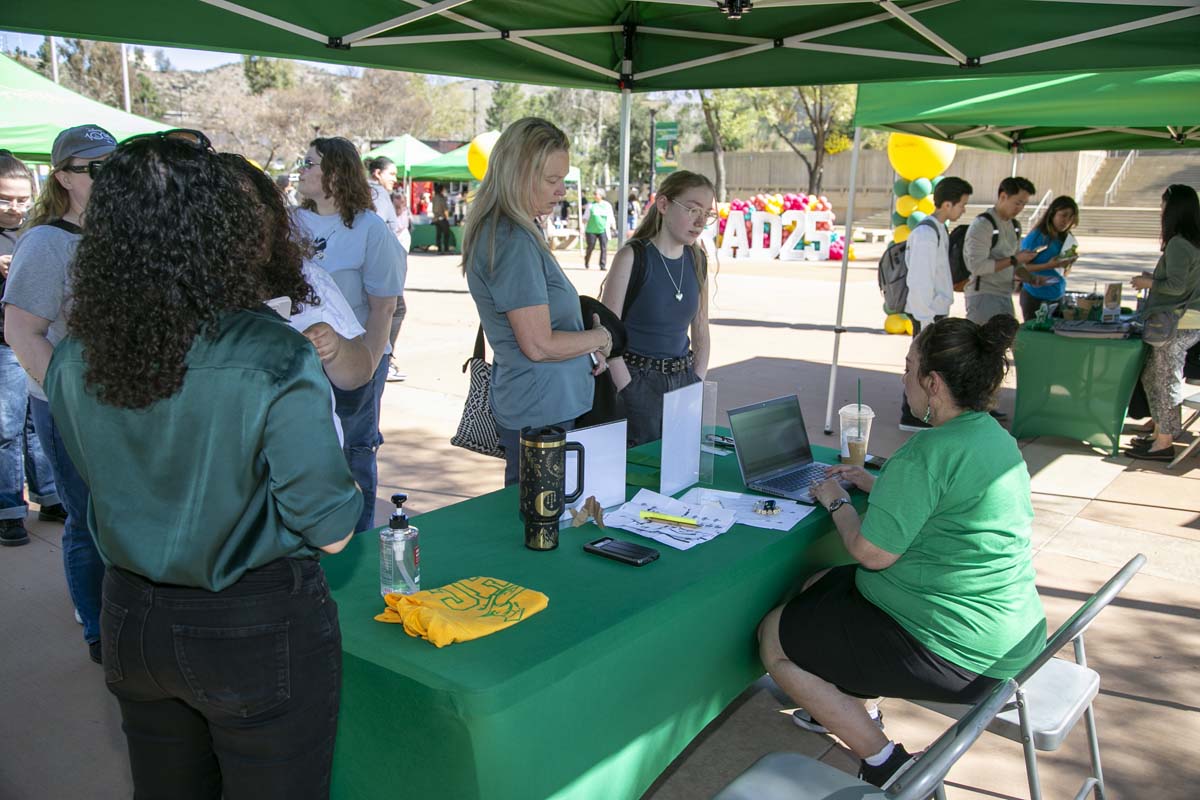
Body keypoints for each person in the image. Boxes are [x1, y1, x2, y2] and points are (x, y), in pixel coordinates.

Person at [44, 130, 359, 799]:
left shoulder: (73, 356)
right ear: (221, 230)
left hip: (130, 619)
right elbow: (330, 529)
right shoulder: (270, 354)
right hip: (250, 627)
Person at [757, 315, 1046, 789]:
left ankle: (886, 763)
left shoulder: (927, 452)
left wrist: (836, 500)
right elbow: (945, 499)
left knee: (775, 636)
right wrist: (881, 483)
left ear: (933, 383)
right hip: (1009, 636)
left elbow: (869, 553)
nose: (903, 376)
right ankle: (850, 705)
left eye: (909, 367)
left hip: (958, 654)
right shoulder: (993, 437)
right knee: (819, 587)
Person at [3, 124, 117, 661]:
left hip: (123, 404)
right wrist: (69, 397)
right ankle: (97, 628)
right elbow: (22, 331)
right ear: (66, 176)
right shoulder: (47, 242)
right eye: (96, 168)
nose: (110, 175)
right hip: (67, 404)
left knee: (115, 513)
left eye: (116, 164)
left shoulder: (124, 235)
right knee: (87, 517)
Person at [463, 117, 611, 486]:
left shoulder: (514, 230)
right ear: (518, 174)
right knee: (540, 524)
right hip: (541, 411)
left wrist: (582, 347)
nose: (561, 190)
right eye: (551, 180)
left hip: (542, 405)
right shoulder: (511, 238)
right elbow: (539, 345)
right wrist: (600, 338)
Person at [294, 136, 405, 533]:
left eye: (309, 163)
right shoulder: (292, 222)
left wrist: (368, 364)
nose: (302, 170)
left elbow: (384, 307)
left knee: (355, 450)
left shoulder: (369, 228)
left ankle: (356, 541)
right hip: (306, 357)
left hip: (358, 357)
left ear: (335, 172)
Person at [222, 153, 374, 399]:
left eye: (258, 210)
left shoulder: (307, 276)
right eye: (231, 216)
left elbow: (359, 372)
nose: (249, 226)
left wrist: (335, 349)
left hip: (308, 432)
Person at [600, 171, 714, 447]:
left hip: (683, 380)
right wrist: (628, 389)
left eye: (707, 213)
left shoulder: (697, 260)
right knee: (638, 473)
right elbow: (606, 333)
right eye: (692, 209)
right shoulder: (632, 257)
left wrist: (696, 380)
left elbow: (701, 328)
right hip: (636, 380)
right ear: (663, 205)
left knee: (679, 471)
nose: (700, 221)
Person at [0, 151, 65, 547]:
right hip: (4, 346)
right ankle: (9, 507)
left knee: (37, 425)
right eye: (5, 199)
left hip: (38, 341)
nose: (15, 207)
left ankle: (49, 494)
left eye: (23, 199)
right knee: (6, 428)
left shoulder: (36, 233)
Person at [1126, 184, 1200, 462]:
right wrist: (1153, 279)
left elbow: (1177, 285)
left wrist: (1149, 283)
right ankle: (1160, 433)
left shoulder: (1180, 242)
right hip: (1187, 321)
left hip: (1176, 322)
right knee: (1154, 376)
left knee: (1165, 378)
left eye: (1163, 204)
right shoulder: (1191, 241)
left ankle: (1165, 441)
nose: (1161, 210)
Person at [899, 176, 973, 431]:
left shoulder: (938, 229)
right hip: (926, 313)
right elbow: (919, 280)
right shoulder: (926, 234)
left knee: (928, 366)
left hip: (934, 311)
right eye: (962, 204)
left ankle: (920, 414)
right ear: (947, 204)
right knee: (919, 366)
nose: (963, 209)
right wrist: (926, 320)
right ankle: (910, 415)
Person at [962, 176, 1044, 325]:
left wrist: (1030, 278)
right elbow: (977, 266)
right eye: (1017, 203)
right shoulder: (983, 225)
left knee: (1003, 344)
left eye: (1024, 204)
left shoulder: (1015, 225)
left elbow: (1016, 264)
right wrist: (1015, 259)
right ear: (1003, 196)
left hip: (1005, 295)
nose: (1020, 208)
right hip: (984, 296)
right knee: (985, 345)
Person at [366, 155, 410, 384]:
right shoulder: (378, 194)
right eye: (391, 173)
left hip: (374, 268)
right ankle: (384, 359)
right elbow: (379, 226)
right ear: (377, 173)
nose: (394, 178)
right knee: (393, 310)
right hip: (380, 271)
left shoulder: (368, 191)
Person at [1019, 196, 1080, 321]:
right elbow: (1020, 268)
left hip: (1057, 294)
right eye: (1063, 215)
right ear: (1052, 214)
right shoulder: (1038, 237)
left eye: (1071, 217)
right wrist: (1048, 265)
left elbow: (1064, 272)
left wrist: (1068, 263)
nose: (1066, 221)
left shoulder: (1066, 238)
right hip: (1035, 296)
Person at [584, 188, 615, 270]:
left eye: (596, 194)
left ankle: (602, 265)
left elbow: (611, 216)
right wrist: (581, 226)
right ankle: (586, 260)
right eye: (594, 194)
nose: (595, 196)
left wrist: (613, 225)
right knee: (591, 247)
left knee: (603, 248)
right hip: (591, 230)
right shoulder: (590, 205)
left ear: (601, 195)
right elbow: (585, 218)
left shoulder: (607, 205)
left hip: (603, 230)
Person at [433, 184, 453, 254]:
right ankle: (446, 248)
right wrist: (447, 218)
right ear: (441, 190)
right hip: (442, 218)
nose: (445, 190)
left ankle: (439, 248)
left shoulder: (434, 197)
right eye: (444, 189)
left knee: (438, 234)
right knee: (446, 234)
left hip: (435, 219)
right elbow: (445, 210)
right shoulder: (442, 198)